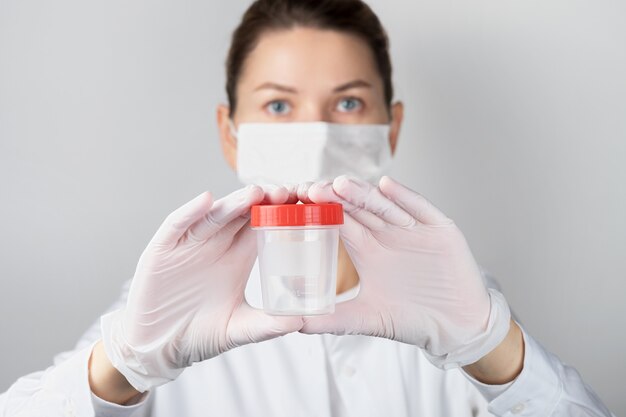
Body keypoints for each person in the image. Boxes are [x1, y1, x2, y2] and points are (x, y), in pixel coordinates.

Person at [0, 0, 615, 416]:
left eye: (347, 103)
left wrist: (492, 346)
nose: (316, 136)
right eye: (277, 106)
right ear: (230, 131)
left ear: (390, 127)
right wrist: (125, 363)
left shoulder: (454, 304)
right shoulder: (168, 309)